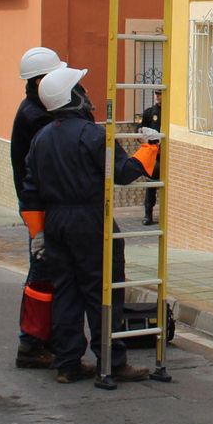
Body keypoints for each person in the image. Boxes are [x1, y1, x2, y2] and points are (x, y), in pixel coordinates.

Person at [21, 65, 157, 384]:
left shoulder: (41, 138)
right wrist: (150, 146)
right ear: (73, 98)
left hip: (54, 223)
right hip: (89, 220)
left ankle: (67, 363)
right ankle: (112, 361)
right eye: (81, 90)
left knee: (66, 292)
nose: (87, 95)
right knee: (102, 291)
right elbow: (124, 173)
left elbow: (30, 192)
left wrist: (37, 234)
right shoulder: (94, 135)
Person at [10, 46, 65, 368]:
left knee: (49, 274)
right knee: (43, 274)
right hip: (41, 209)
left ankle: (43, 339)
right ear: (40, 81)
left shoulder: (33, 110)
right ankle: (31, 343)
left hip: (39, 206)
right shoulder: (38, 116)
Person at [138, 90, 161, 226]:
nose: (158, 97)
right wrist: (146, 143)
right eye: (156, 94)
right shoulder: (149, 112)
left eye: (160, 94)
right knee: (151, 184)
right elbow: (139, 130)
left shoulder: (170, 113)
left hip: (168, 154)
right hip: (154, 154)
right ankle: (148, 214)